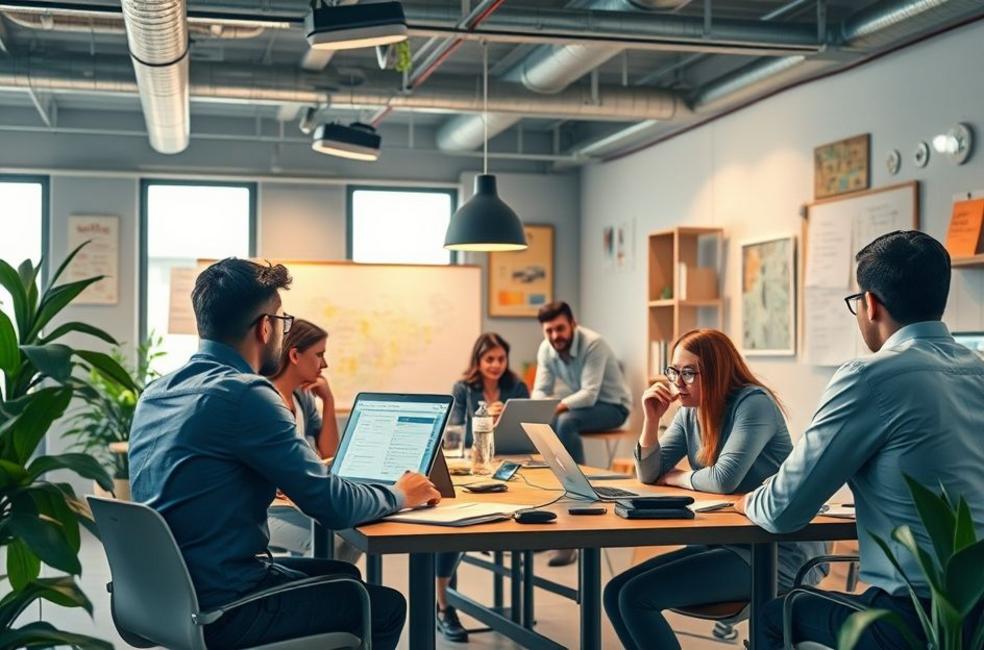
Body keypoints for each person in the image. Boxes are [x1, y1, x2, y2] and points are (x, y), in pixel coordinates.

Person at [130, 258, 442, 650]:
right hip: (226, 606)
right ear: (265, 327)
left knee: (344, 575)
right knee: (385, 605)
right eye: (282, 319)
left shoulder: (156, 393)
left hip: (169, 596)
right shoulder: (245, 393)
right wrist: (400, 494)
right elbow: (331, 506)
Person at [733, 231, 984, 648]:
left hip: (916, 620)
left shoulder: (871, 377)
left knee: (776, 614)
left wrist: (747, 499)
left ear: (869, 303)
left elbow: (782, 511)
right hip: (978, 620)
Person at [603, 329, 826, 650]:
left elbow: (724, 479)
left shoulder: (754, 404)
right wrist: (651, 421)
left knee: (637, 598)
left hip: (775, 550)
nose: (678, 382)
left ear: (718, 372)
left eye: (689, 373)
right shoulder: (689, 411)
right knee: (615, 594)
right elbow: (650, 474)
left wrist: (678, 477)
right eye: (674, 371)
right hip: (728, 542)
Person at [436, 333, 530, 642]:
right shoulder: (463, 389)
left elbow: (530, 433)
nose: (496, 365)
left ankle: (520, 606)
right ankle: (443, 605)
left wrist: (506, 423)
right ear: (478, 361)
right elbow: (456, 436)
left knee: (528, 510)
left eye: (501, 359)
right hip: (472, 470)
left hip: (509, 468)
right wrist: (488, 420)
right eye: (489, 359)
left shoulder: (517, 388)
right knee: (455, 524)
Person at [532, 301, 632, 566]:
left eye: (560, 329)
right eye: (549, 331)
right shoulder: (547, 349)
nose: (555, 336)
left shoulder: (593, 344)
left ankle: (579, 494)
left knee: (564, 423)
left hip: (613, 406)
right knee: (547, 424)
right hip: (577, 408)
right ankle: (548, 517)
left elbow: (589, 395)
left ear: (573, 323)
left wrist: (551, 407)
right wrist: (538, 409)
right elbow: (540, 391)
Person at [264, 318, 360, 563]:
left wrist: (328, 400)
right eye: (319, 355)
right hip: (270, 511)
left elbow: (329, 452)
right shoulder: (262, 399)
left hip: (300, 504)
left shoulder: (302, 398)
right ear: (295, 355)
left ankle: (320, 591)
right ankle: (308, 593)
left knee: (353, 529)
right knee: (341, 540)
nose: (324, 364)